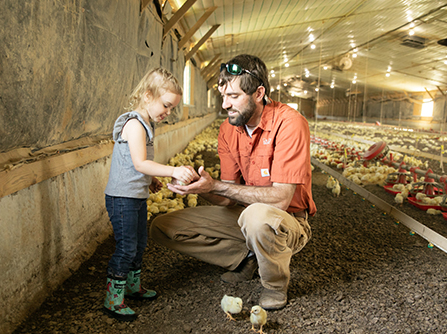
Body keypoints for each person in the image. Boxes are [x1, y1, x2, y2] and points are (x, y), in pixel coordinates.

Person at [150, 54, 316, 310]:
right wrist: (201, 186)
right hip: (245, 215)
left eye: (234, 97)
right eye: (223, 97)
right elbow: (227, 198)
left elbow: (282, 199)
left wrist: (217, 186)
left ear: (259, 93)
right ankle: (246, 258)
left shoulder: (290, 123)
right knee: (163, 226)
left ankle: (274, 284)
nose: (225, 104)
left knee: (258, 217)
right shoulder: (229, 129)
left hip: (288, 220)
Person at [103, 68, 197, 321]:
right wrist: (172, 171)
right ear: (147, 96)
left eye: (172, 108)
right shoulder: (134, 125)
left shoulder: (145, 125)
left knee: (140, 243)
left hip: (135, 196)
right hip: (122, 198)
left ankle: (132, 287)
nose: (168, 112)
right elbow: (139, 163)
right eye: (166, 105)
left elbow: (139, 165)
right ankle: (113, 299)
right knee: (126, 247)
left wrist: (151, 180)